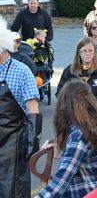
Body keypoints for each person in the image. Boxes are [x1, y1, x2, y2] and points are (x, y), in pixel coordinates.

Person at [36, 80, 97, 197]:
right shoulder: (95, 126)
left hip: (82, 193)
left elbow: (60, 183)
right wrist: (61, 150)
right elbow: (86, 161)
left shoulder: (79, 135)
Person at [0, 22, 42, 197]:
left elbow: (33, 110)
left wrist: (32, 144)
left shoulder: (21, 72)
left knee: (11, 190)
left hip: (13, 143)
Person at [57, 37, 97, 125]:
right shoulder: (69, 71)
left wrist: (87, 102)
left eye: (90, 50)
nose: (88, 54)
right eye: (84, 51)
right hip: (74, 118)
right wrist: (74, 103)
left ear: (95, 52)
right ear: (79, 52)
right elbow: (60, 93)